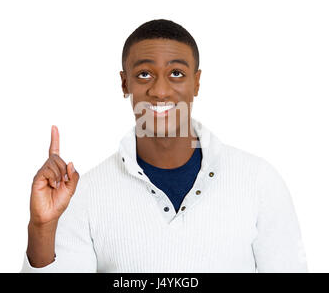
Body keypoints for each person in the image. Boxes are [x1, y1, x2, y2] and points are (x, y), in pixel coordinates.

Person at [21, 19, 308, 272]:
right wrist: (42, 227)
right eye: (144, 74)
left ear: (196, 83)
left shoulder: (258, 181)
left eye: (176, 74)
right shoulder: (85, 193)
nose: (159, 91)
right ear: (125, 84)